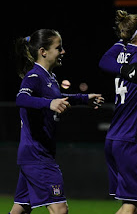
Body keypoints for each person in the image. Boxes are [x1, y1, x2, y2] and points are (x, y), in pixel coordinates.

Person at [9, 29, 104, 214]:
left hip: (34, 154)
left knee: (20, 209)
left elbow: (58, 97)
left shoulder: (49, 77)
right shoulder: (34, 76)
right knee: (60, 210)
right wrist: (49, 103)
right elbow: (21, 98)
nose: (63, 52)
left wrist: (84, 99)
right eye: (58, 48)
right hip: (38, 156)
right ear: (43, 51)